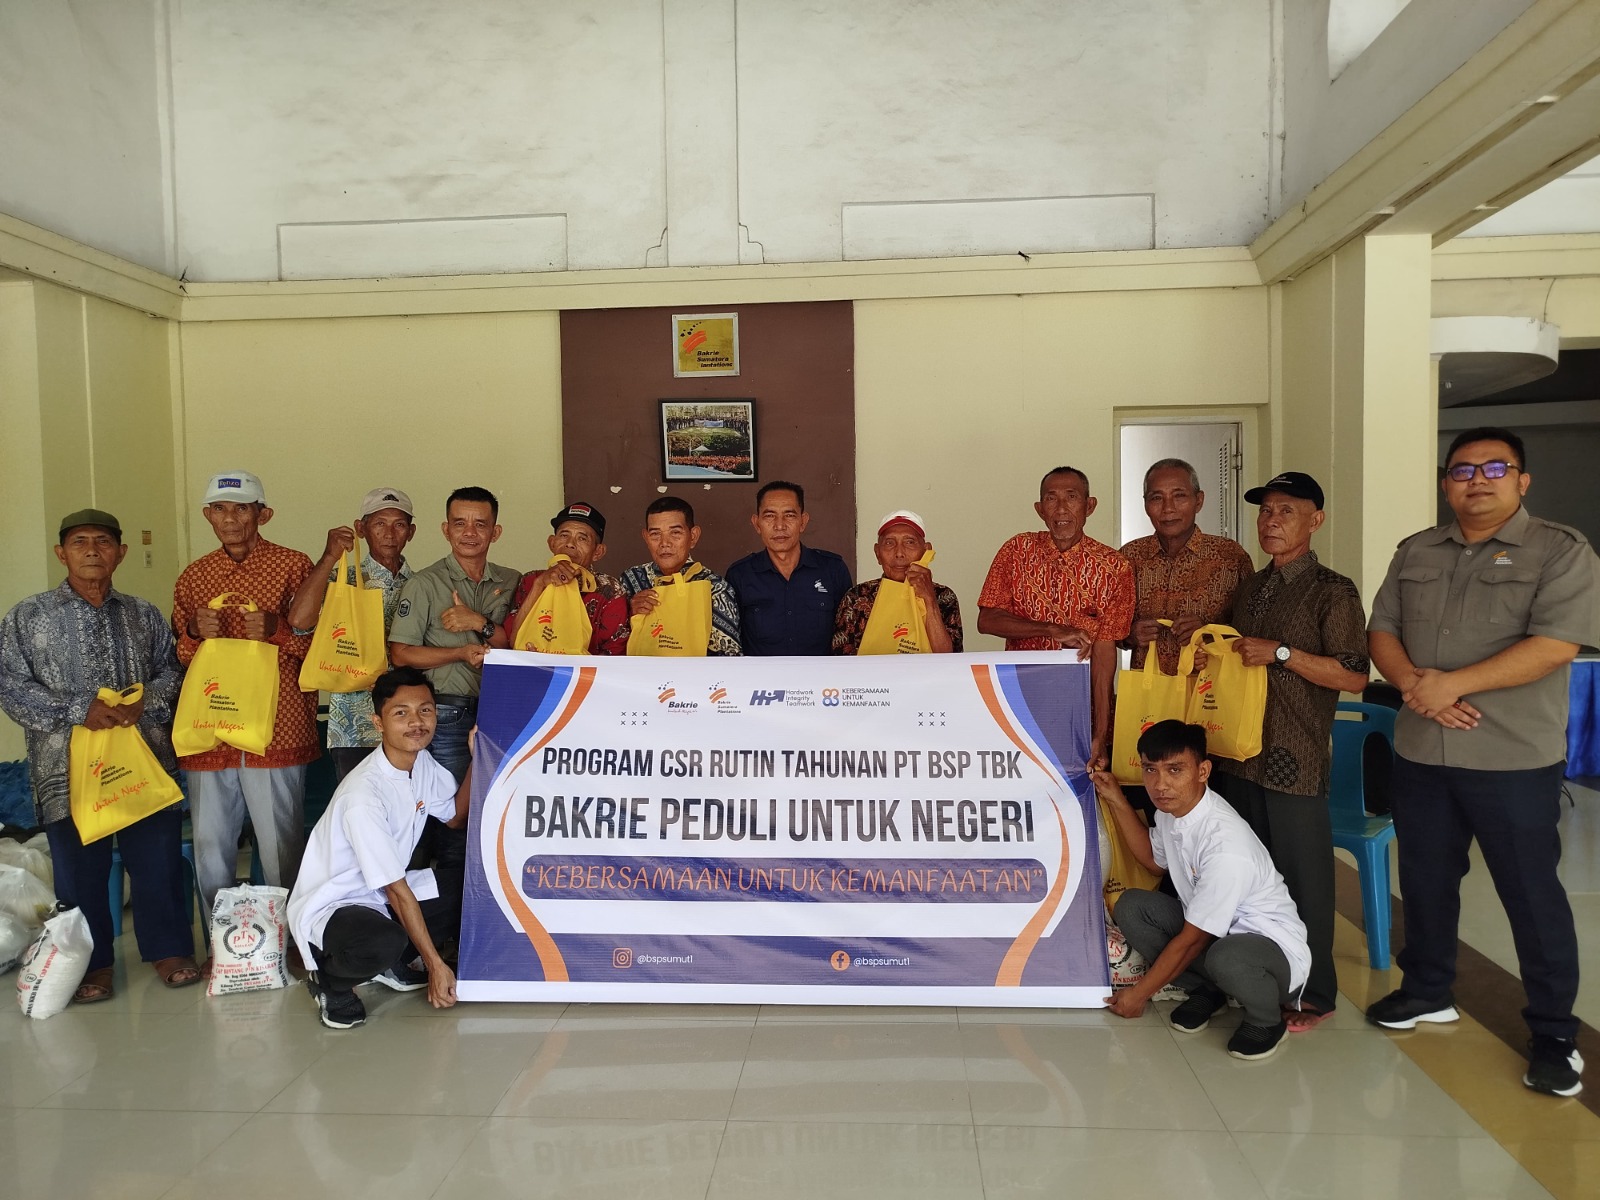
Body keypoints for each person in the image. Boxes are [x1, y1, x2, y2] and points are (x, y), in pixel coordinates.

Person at [1366, 427, 1600, 1098]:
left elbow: (1557, 643)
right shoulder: (1417, 550)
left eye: (1496, 467)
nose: (1478, 479)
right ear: (1447, 482)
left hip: (1510, 758)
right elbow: (1382, 629)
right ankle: (1427, 989)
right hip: (1421, 749)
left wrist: (1452, 685)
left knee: (1531, 896)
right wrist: (1417, 684)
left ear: (1522, 481)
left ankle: (1555, 1034)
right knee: (1428, 880)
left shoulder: (1560, 550)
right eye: (1463, 469)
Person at [0, 509, 199, 1001]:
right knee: (79, 872)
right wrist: (77, 709)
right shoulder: (29, 616)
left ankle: (169, 949)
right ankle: (93, 962)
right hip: (67, 771)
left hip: (141, 765)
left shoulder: (143, 614)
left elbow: (174, 673)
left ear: (121, 553)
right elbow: (10, 685)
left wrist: (142, 702)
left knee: (157, 863)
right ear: (61, 553)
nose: (92, 550)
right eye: (80, 542)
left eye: (104, 541)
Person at [1209, 471, 1368, 1033]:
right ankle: (1254, 976)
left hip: (1293, 756)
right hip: (1238, 752)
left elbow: (1353, 676)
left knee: (1303, 881)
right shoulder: (1251, 587)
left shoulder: (1333, 589)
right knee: (1246, 876)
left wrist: (1280, 652)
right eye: (1265, 511)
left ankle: (1314, 994)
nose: (1271, 521)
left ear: (1315, 519)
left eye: (1286, 511)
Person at [1092, 720, 1310, 1062]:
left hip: (1270, 952)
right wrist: (1117, 798)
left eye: (1175, 770)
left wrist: (1138, 995)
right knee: (1133, 906)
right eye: (1151, 769)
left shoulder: (1224, 845)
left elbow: (1192, 940)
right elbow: (1153, 862)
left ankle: (1266, 1020)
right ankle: (1209, 990)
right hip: (1216, 938)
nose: (1160, 784)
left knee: (1226, 956)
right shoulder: (1172, 811)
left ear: (1203, 771)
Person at [173, 471, 318, 918]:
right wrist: (195, 632)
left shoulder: (295, 566)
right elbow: (178, 651)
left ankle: (291, 940)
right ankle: (225, 945)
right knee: (211, 843)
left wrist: (278, 631)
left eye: (241, 508)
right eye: (220, 509)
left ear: (263, 513)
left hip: (275, 727)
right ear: (207, 515)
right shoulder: (194, 576)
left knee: (281, 844)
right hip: (211, 730)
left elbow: (323, 648)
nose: (230, 518)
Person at [287, 668, 466, 1029]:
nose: (416, 722)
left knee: (467, 889)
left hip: (382, 893)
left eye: (425, 710)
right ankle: (332, 983)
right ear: (378, 721)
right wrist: (435, 965)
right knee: (384, 939)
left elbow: (453, 818)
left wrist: (480, 757)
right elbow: (397, 892)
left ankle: (393, 962)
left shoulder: (422, 763)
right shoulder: (364, 795)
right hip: (339, 903)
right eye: (401, 713)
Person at [977, 466, 1134, 769]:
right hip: (1022, 707)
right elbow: (987, 620)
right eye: (1051, 499)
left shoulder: (1115, 568)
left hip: (1081, 714)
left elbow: (1104, 653)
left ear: (1089, 506)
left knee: (1082, 800)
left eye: (1071, 498)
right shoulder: (1016, 551)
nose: (1061, 509)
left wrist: (1101, 732)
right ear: (1039, 509)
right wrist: (1050, 629)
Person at [286, 487, 417, 781]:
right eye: (379, 523)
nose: (389, 533)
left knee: (408, 812)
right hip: (353, 726)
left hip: (410, 724)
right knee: (358, 814)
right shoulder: (341, 579)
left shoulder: (423, 584)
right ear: (361, 529)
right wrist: (330, 556)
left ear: (411, 532)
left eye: (399, 524)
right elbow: (298, 621)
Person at [388, 487, 516, 786]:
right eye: (460, 523)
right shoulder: (425, 583)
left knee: (494, 804)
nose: (469, 532)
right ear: (446, 530)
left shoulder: (511, 580)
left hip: (501, 711)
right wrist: (459, 652)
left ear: (495, 532)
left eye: (480, 524)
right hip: (447, 713)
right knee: (450, 810)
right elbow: (401, 654)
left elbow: (515, 643)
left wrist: (476, 621)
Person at [1119, 458, 1254, 675]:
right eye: (1156, 498)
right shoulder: (1128, 557)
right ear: (1145, 505)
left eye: (1179, 495)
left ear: (1198, 501)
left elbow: (1252, 631)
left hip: (1211, 693)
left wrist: (1208, 632)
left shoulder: (1231, 557)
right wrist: (1130, 635)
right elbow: (1107, 630)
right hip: (1149, 695)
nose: (1168, 508)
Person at [725, 481, 852, 655]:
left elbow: (847, 637)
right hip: (762, 680)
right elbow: (731, 644)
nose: (779, 526)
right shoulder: (740, 575)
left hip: (821, 680)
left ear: (803, 521)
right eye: (769, 516)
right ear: (757, 524)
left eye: (789, 515)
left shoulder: (832, 570)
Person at [618, 496, 742, 656]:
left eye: (675, 533)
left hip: (695, 679)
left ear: (693, 536)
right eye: (655, 534)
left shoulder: (714, 587)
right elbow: (613, 648)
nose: (664, 543)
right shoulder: (631, 579)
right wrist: (630, 614)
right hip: (644, 678)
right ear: (646, 538)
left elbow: (730, 656)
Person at [502, 502, 629, 656]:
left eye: (582, 538)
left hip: (585, 677)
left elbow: (614, 652)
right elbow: (512, 640)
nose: (570, 544)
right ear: (552, 543)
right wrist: (539, 585)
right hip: (533, 672)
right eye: (564, 535)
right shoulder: (532, 579)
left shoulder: (609, 590)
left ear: (598, 552)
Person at [832, 510, 962, 655]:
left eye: (909, 542)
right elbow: (842, 662)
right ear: (877, 553)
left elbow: (949, 660)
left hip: (927, 678)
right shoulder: (857, 597)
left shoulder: (944, 596)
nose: (899, 553)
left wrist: (929, 599)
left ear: (926, 551)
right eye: (889, 543)